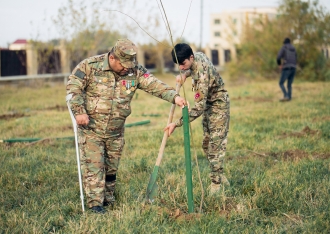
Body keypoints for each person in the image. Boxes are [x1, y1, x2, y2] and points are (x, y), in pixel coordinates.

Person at [66, 39, 187, 214]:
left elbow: (154, 85)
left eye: (130, 64)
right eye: (123, 64)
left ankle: (107, 200)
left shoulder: (134, 70)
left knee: (111, 169)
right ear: (113, 58)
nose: (126, 68)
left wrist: (175, 97)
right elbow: (73, 88)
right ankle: (95, 206)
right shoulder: (90, 66)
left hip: (116, 131)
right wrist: (79, 112)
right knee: (94, 167)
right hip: (92, 129)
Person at [164, 43, 230, 194]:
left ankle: (216, 184)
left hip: (219, 105)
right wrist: (185, 75)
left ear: (191, 57)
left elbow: (198, 108)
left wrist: (177, 123)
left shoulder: (201, 75)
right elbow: (190, 68)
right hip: (208, 105)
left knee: (214, 146)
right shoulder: (197, 56)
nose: (181, 67)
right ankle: (219, 174)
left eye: (183, 64)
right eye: (178, 65)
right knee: (206, 144)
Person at [277, 37, 297, 101]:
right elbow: (296, 57)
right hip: (293, 68)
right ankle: (289, 97)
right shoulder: (294, 49)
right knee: (289, 84)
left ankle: (286, 96)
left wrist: (280, 64)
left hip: (287, 68)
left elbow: (278, 57)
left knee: (281, 83)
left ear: (284, 43)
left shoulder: (284, 47)